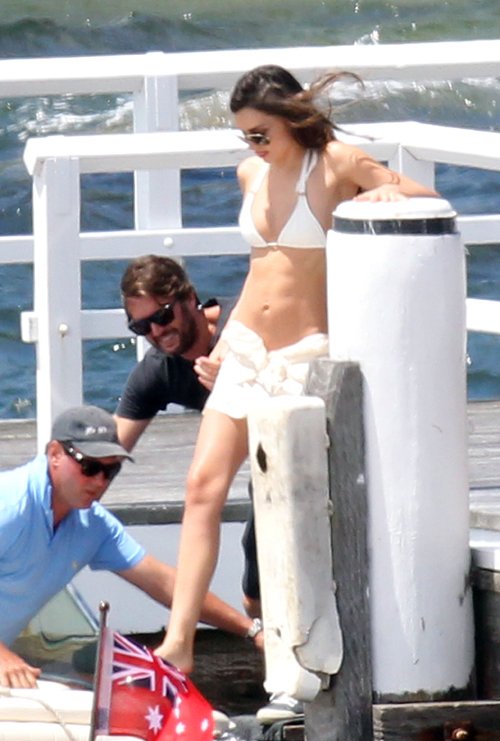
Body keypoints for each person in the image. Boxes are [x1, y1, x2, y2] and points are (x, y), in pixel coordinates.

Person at [154, 64, 439, 678]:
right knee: (202, 487)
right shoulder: (251, 173)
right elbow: (262, 268)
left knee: (288, 505)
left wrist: (384, 192)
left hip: (302, 356)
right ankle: (178, 643)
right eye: (245, 136)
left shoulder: (335, 163)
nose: (254, 146)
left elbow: (420, 196)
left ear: (290, 118)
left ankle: (296, 657)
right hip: (245, 350)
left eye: (261, 133)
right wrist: (224, 341)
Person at [0, 404, 262, 689]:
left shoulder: (94, 525)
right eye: (90, 467)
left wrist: (251, 630)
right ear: (54, 454)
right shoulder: (9, 504)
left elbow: (166, 584)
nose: (100, 481)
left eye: (110, 471)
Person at [116, 255, 261, 620]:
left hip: (307, 440)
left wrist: (243, 383)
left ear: (190, 298)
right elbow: (111, 448)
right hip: (265, 463)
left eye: (163, 316)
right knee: (255, 600)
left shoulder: (244, 329)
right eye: (142, 326)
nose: (156, 331)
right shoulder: (158, 371)